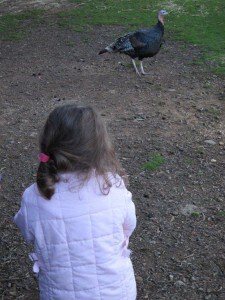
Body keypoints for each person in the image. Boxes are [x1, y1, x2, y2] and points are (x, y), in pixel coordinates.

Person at [14, 104, 137, 300]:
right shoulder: (114, 185)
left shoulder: (33, 196)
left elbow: (28, 233)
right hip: (117, 292)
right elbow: (129, 226)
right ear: (100, 145)